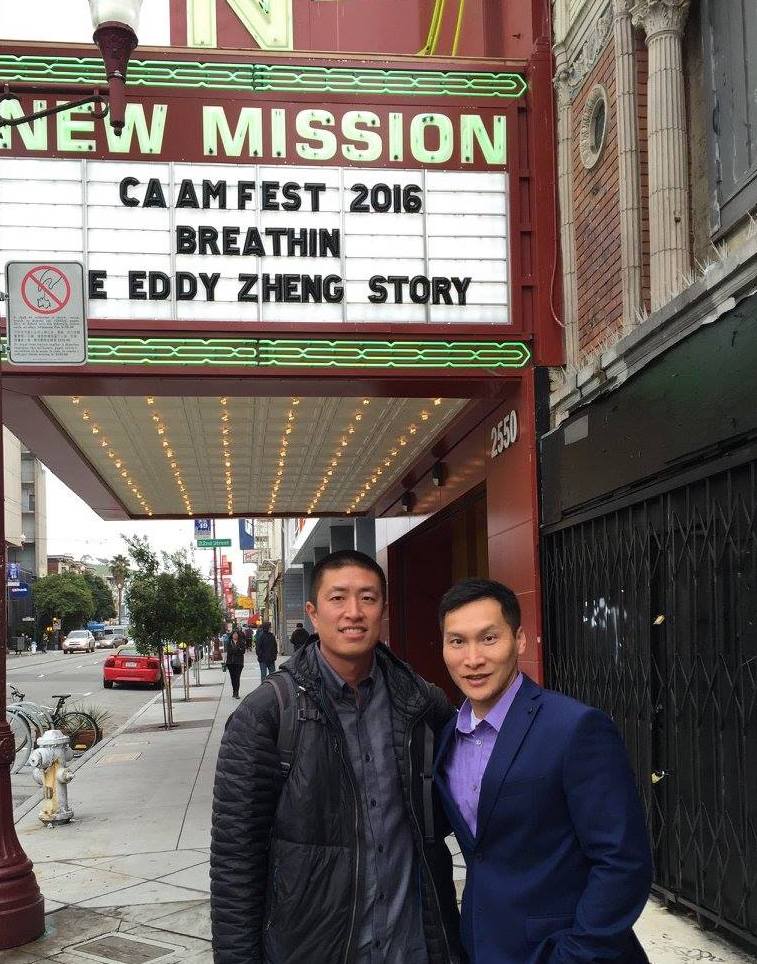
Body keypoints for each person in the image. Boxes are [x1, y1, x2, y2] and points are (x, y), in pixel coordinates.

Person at [211, 549, 462, 964]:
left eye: (367, 598)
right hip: (314, 948)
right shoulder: (267, 715)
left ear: (383, 609)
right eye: (338, 598)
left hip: (411, 946)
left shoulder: (420, 702)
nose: (354, 612)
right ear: (313, 612)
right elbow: (235, 862)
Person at [434, 578, 653, 964]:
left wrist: (577, 953)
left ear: (518, 640)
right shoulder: (449, 737)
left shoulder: (575, 728)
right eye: (457, 642)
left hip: (564, 950)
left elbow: (623, 862)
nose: (472, 659)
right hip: (482, 946)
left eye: (488, 639)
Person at [224, 629, 245, 699]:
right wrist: (238, 649)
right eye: (234, 634)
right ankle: (234, 691)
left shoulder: (241, 642)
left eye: (236, 634)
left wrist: (236, 650)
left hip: (239, 663)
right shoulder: (228, 642)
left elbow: (243, 651)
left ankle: (237, 692)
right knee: (233, 678)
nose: (235, 635)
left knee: (237, 677)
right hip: (231, 663)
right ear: (232, 635)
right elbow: (229, 651)